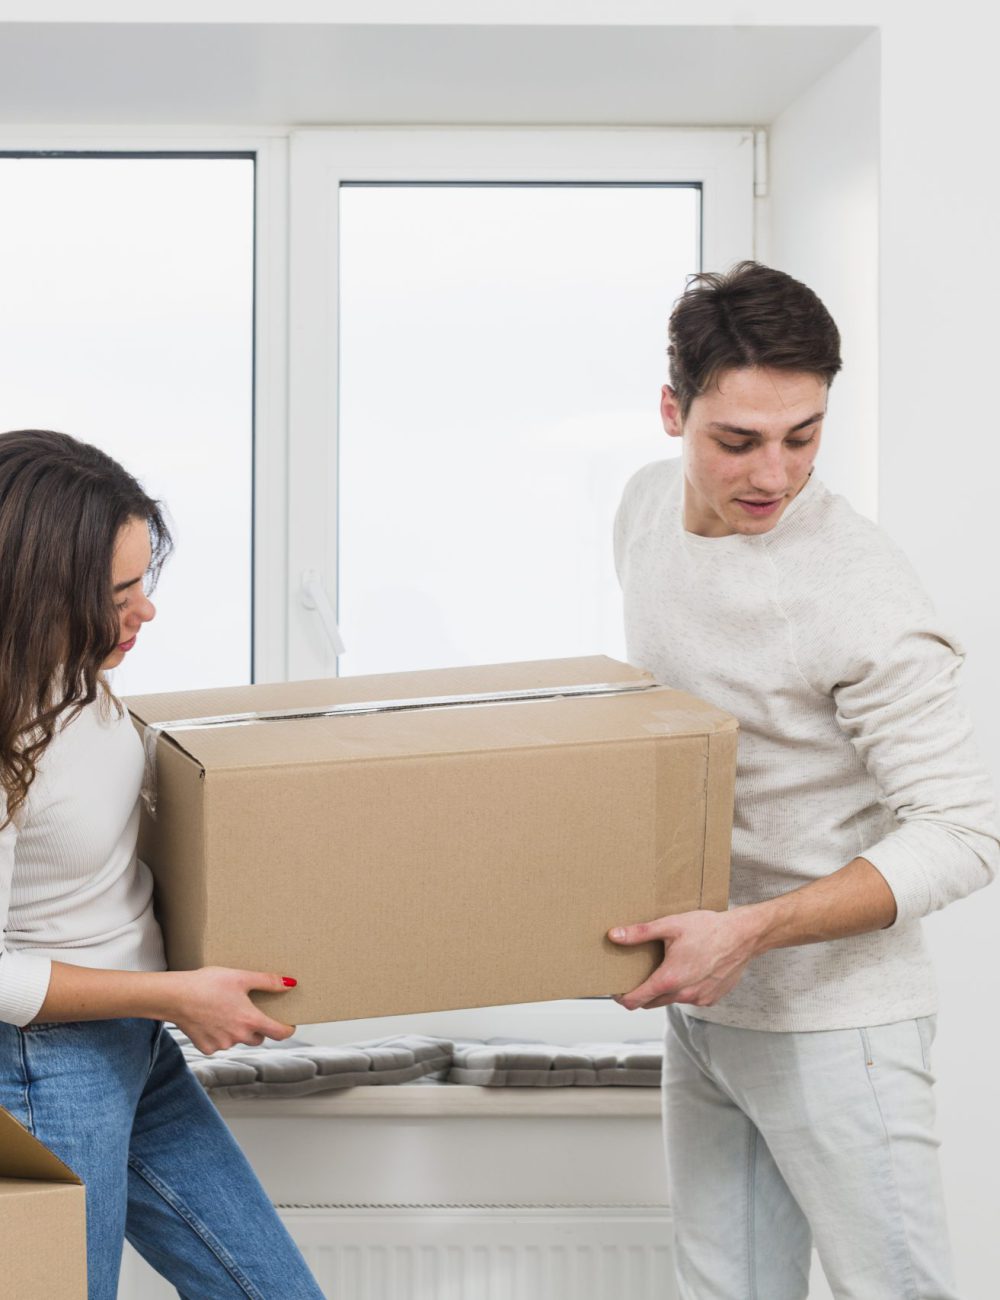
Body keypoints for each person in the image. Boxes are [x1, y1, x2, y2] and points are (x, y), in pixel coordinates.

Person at [608, 262, 999, 1300]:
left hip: (840, 1025)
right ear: (670, 411)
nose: (773, 475)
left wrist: (747, 930)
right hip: (707, 1008)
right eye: (736, 440)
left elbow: (965, 831)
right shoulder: (645, 512)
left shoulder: (856, 590)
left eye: (804, 434)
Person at [0, 429, 325, 1299]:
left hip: (136, 1051)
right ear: (35, 595)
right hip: (42, 1071)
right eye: (118, 592)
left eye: (145, 578)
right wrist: (177, 995)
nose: (145, 610)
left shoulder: (73, 678)